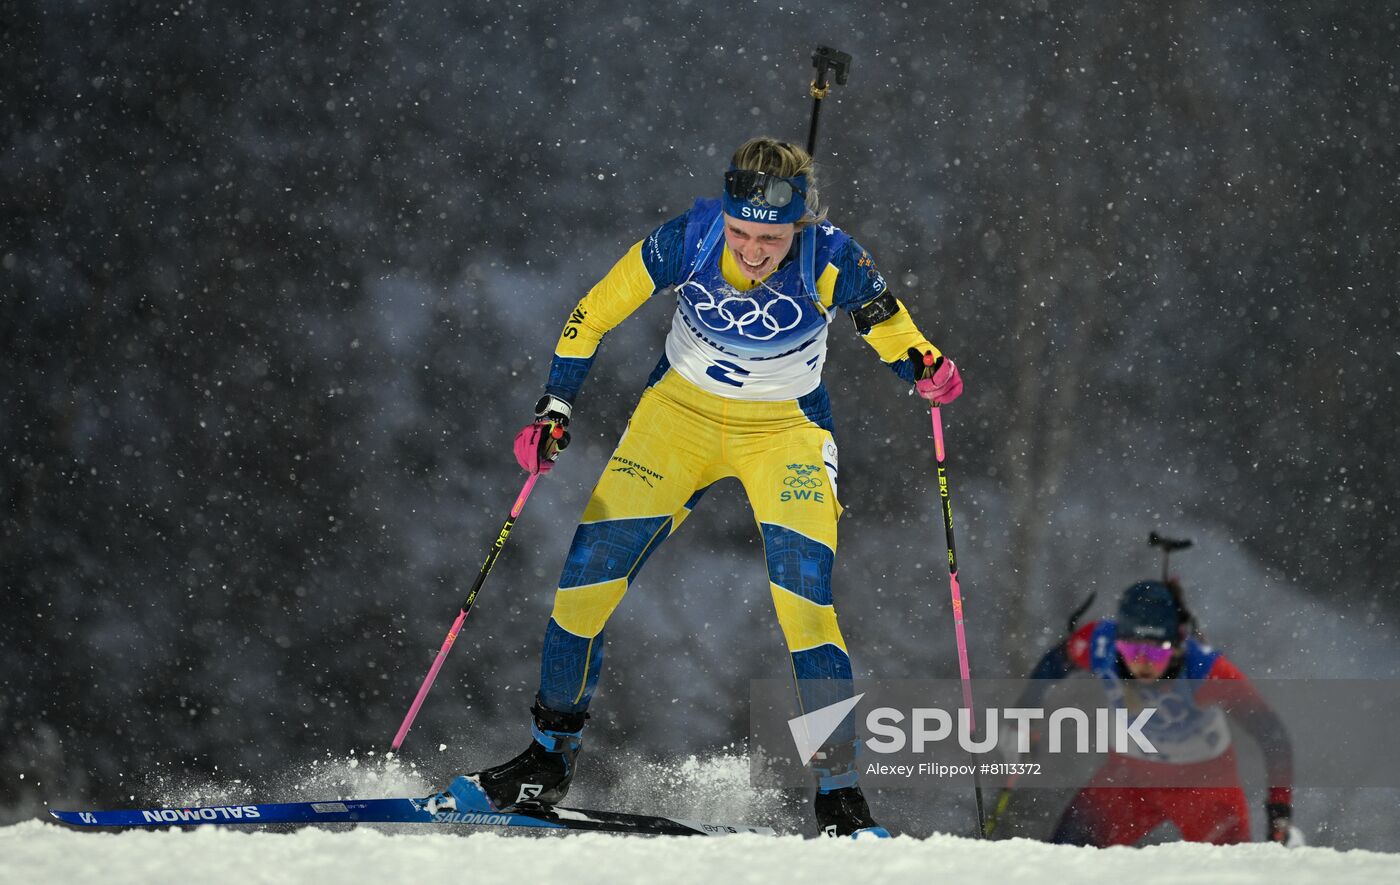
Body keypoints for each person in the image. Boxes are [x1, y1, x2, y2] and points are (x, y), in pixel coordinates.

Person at [426, 136, 963, 837]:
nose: (750, 250)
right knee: (582, 587)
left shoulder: (830, 255)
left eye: (769, 237)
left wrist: (925, 367)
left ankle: (840, 796)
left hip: (786, 433)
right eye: (741, 233)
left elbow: (890, 326)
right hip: (676, 419)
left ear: (795, 226)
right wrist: (554, 407)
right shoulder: (692, 236)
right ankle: (546, 761)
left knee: (806, 605)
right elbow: (594, 311)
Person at [1004, 579, 1298, 846]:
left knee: (1234, 874)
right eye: (1132, 652)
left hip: (1204, 785)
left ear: (1177, 646)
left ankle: (1295, 847)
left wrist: (1279, 810)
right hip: (1131, 776)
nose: (1143, 665)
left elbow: (1272, 733)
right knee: (1066, 857)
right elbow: (1054, 663)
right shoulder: (1101, 645)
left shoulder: (1204, 670)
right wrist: (1024, 716)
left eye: (1156, 653)